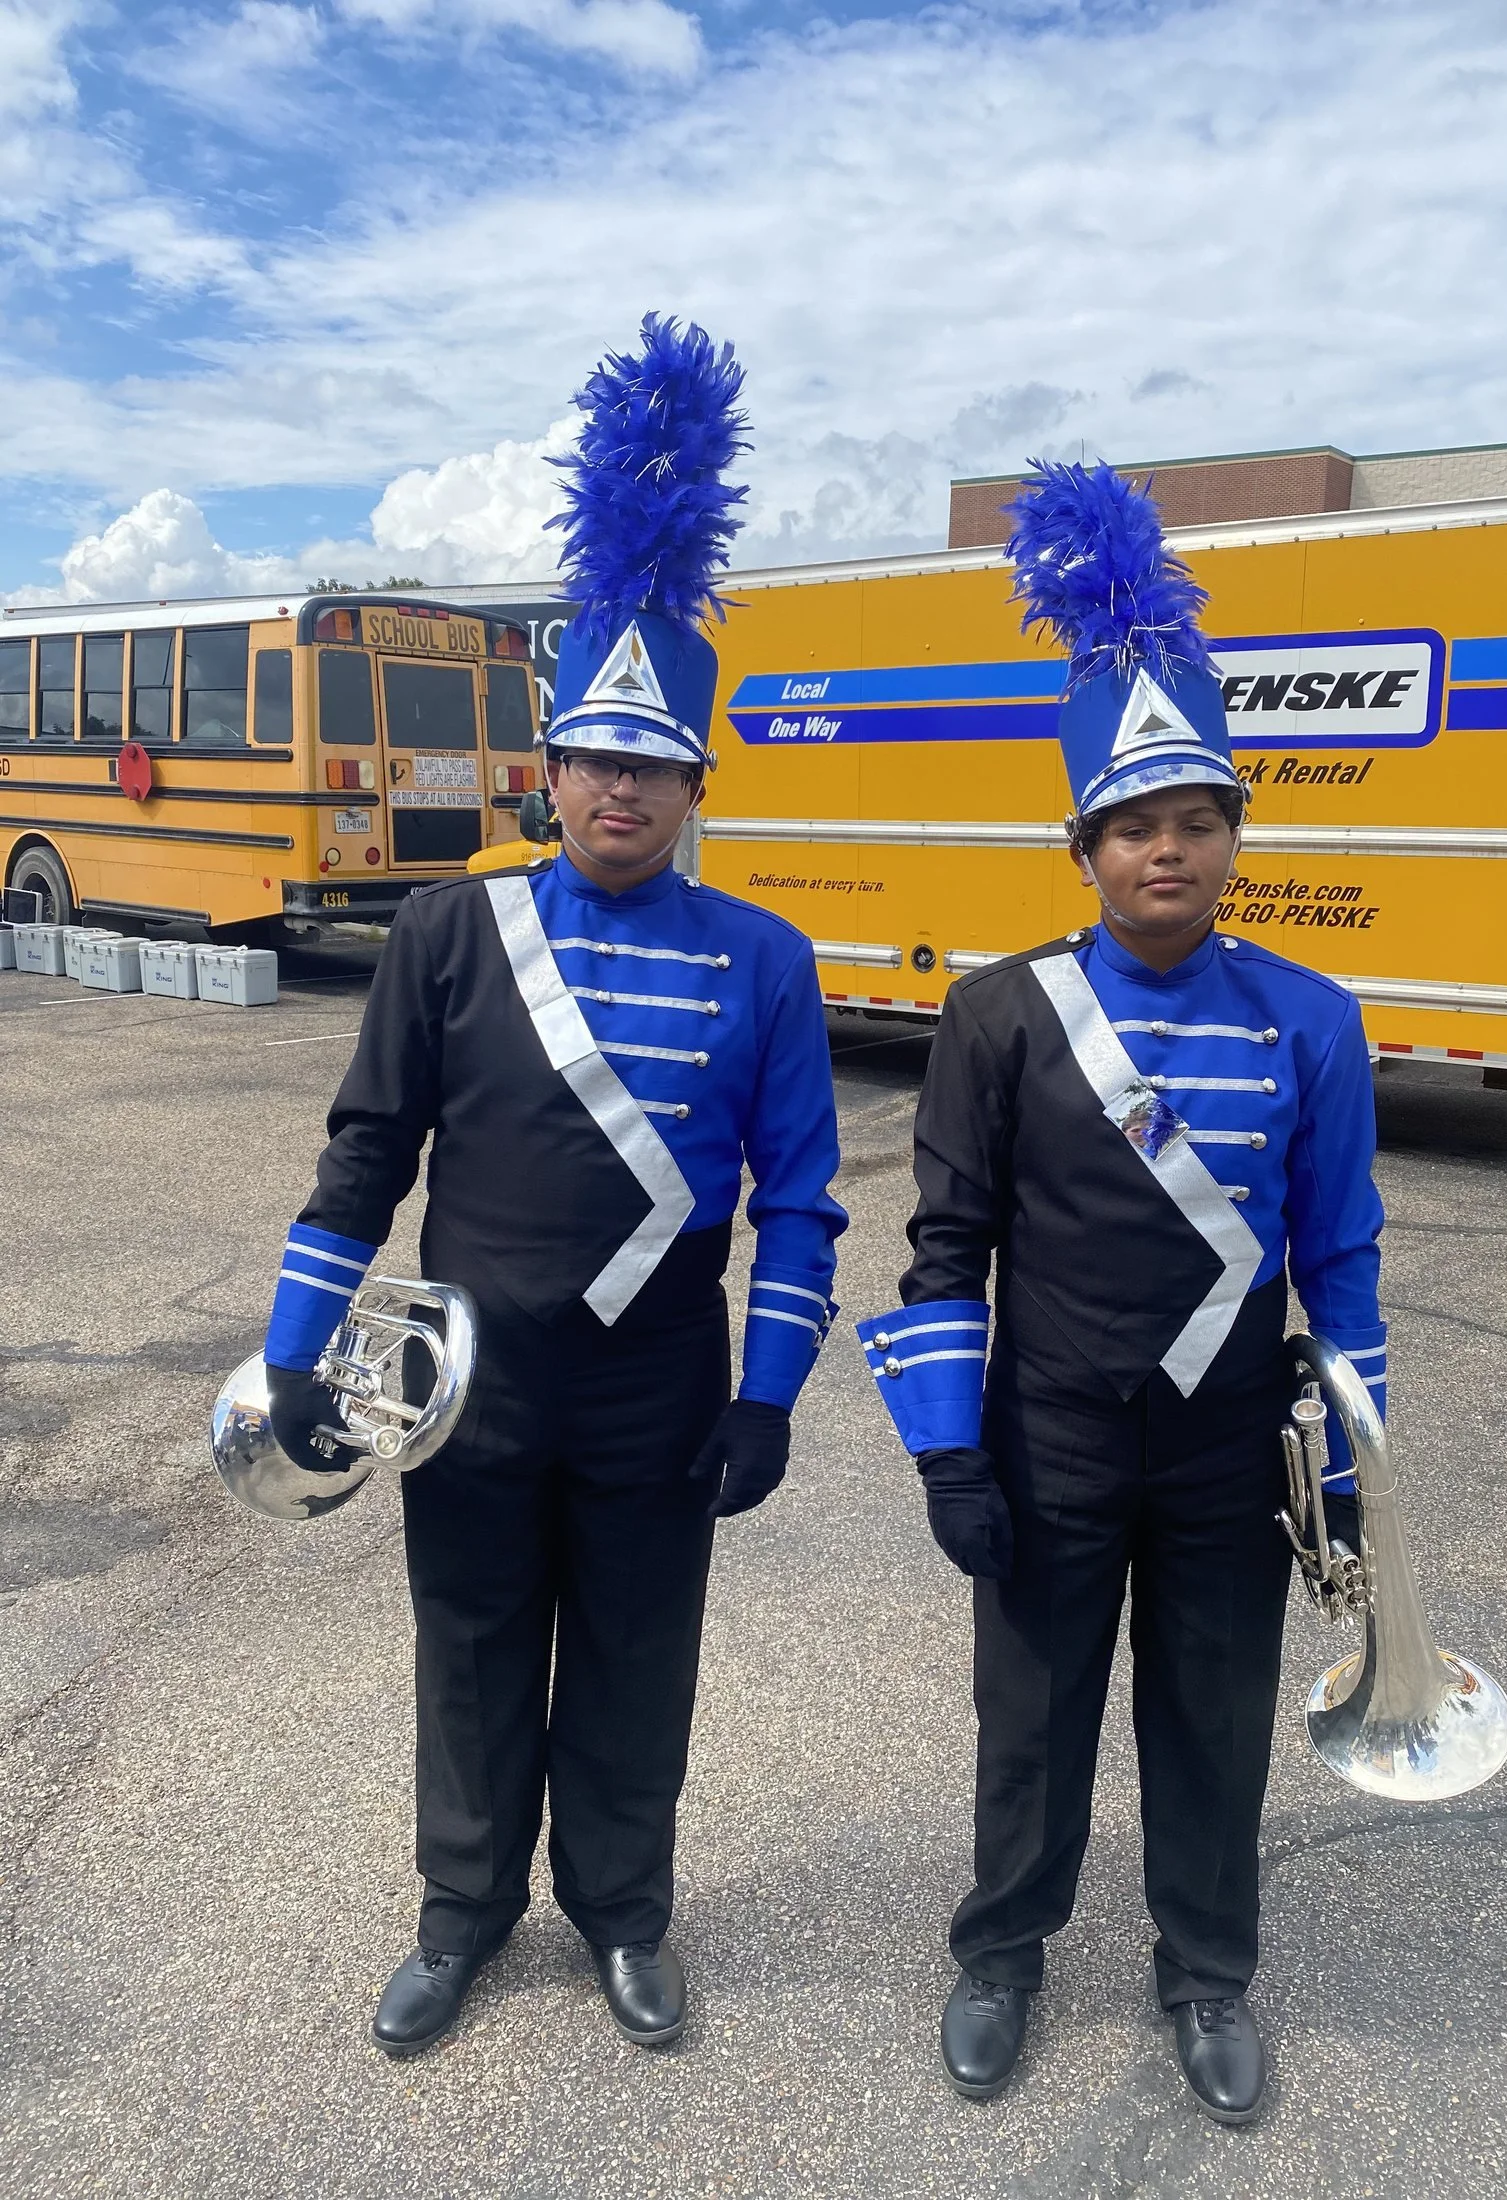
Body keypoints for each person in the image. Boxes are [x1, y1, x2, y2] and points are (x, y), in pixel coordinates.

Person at [261, 316, 845, 2058]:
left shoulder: (767, 960)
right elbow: (368, 1153)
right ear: (550, 770)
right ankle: (460, 1914)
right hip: (470, 1388)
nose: (617, 790)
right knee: (471, 1651)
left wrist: (768, 1395)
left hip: (662, 1391)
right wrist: (297, 1352)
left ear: (690, 785)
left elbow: (803, 1199)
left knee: (637, 1665)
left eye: (651, 768)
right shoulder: (451, 932)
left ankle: (624, 1913)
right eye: (592, 761)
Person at [856, 460, 1384, 2123]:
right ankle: (1001, 1949)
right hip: (1047, 1437)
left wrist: (1357, 1458)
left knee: (1210, 1730)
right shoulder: (1003, 1014)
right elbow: (946, 1244)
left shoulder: (1313, 1017)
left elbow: (1341, 1249)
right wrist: (949, 1450)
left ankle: (1205, 1972)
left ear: (1235, 832)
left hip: (1229, 1447)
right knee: (1028, 1719)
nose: (1167, 851)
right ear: (1084, 845)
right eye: (1135, 827)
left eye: (1196, 820)